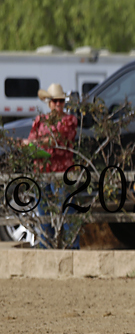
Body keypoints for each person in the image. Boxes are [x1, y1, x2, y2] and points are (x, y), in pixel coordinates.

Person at [26, 83, 79, 248]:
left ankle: (72, 248)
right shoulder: (40, 120)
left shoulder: (70, 120)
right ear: (49, 103)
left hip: (62, 173)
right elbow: (33, 142)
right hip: (42, 171)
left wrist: (35, 143)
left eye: (61, 101)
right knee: (43, 214)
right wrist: (34, 144)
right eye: (55, 101)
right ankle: (46, 247)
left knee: (67, 212)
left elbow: (57, 141)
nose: (58, 104)